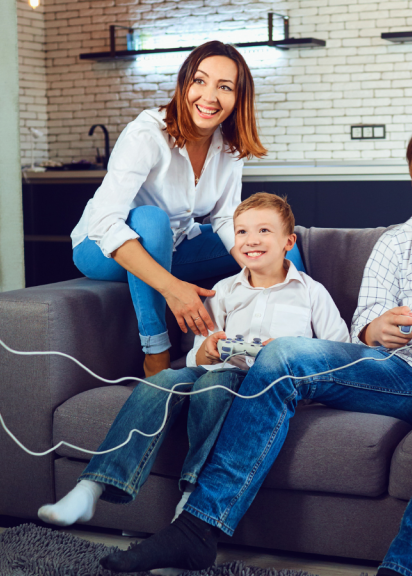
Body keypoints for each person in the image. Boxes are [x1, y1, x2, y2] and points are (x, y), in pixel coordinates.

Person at [97, 119, 412, 574]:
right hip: (394, 373)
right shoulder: (393, 244)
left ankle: (406, 569)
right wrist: (376, 330)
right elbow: (364, 324)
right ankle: (197, 529)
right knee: (284, 353)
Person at [38, 193, 349, 527]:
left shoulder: (311, 292)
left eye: (263, 231)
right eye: (241, 232)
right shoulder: (225, 290)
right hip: (216, 370)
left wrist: (285, 351)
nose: (251, 240)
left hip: (267, 386)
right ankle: (91, 488)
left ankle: (191, 500)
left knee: (217, 381)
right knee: (164, 380)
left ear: (288, 242)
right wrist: (210, 348)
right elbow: (196, 357)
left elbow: (339, 353)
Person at [70, 41, 269, 378]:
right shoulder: (146, 134)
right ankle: (156, 351)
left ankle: (294, 342)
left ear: (238, 99)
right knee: (151, 219)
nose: (209, 96)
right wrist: (173, 288)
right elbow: (104, 222)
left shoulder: (229, 146)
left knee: (271, 240)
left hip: (174, 246)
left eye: (224, 87)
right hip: (99, 247)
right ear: (184, 84)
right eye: (200, 81)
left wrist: (259, 262)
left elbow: (224, 216)